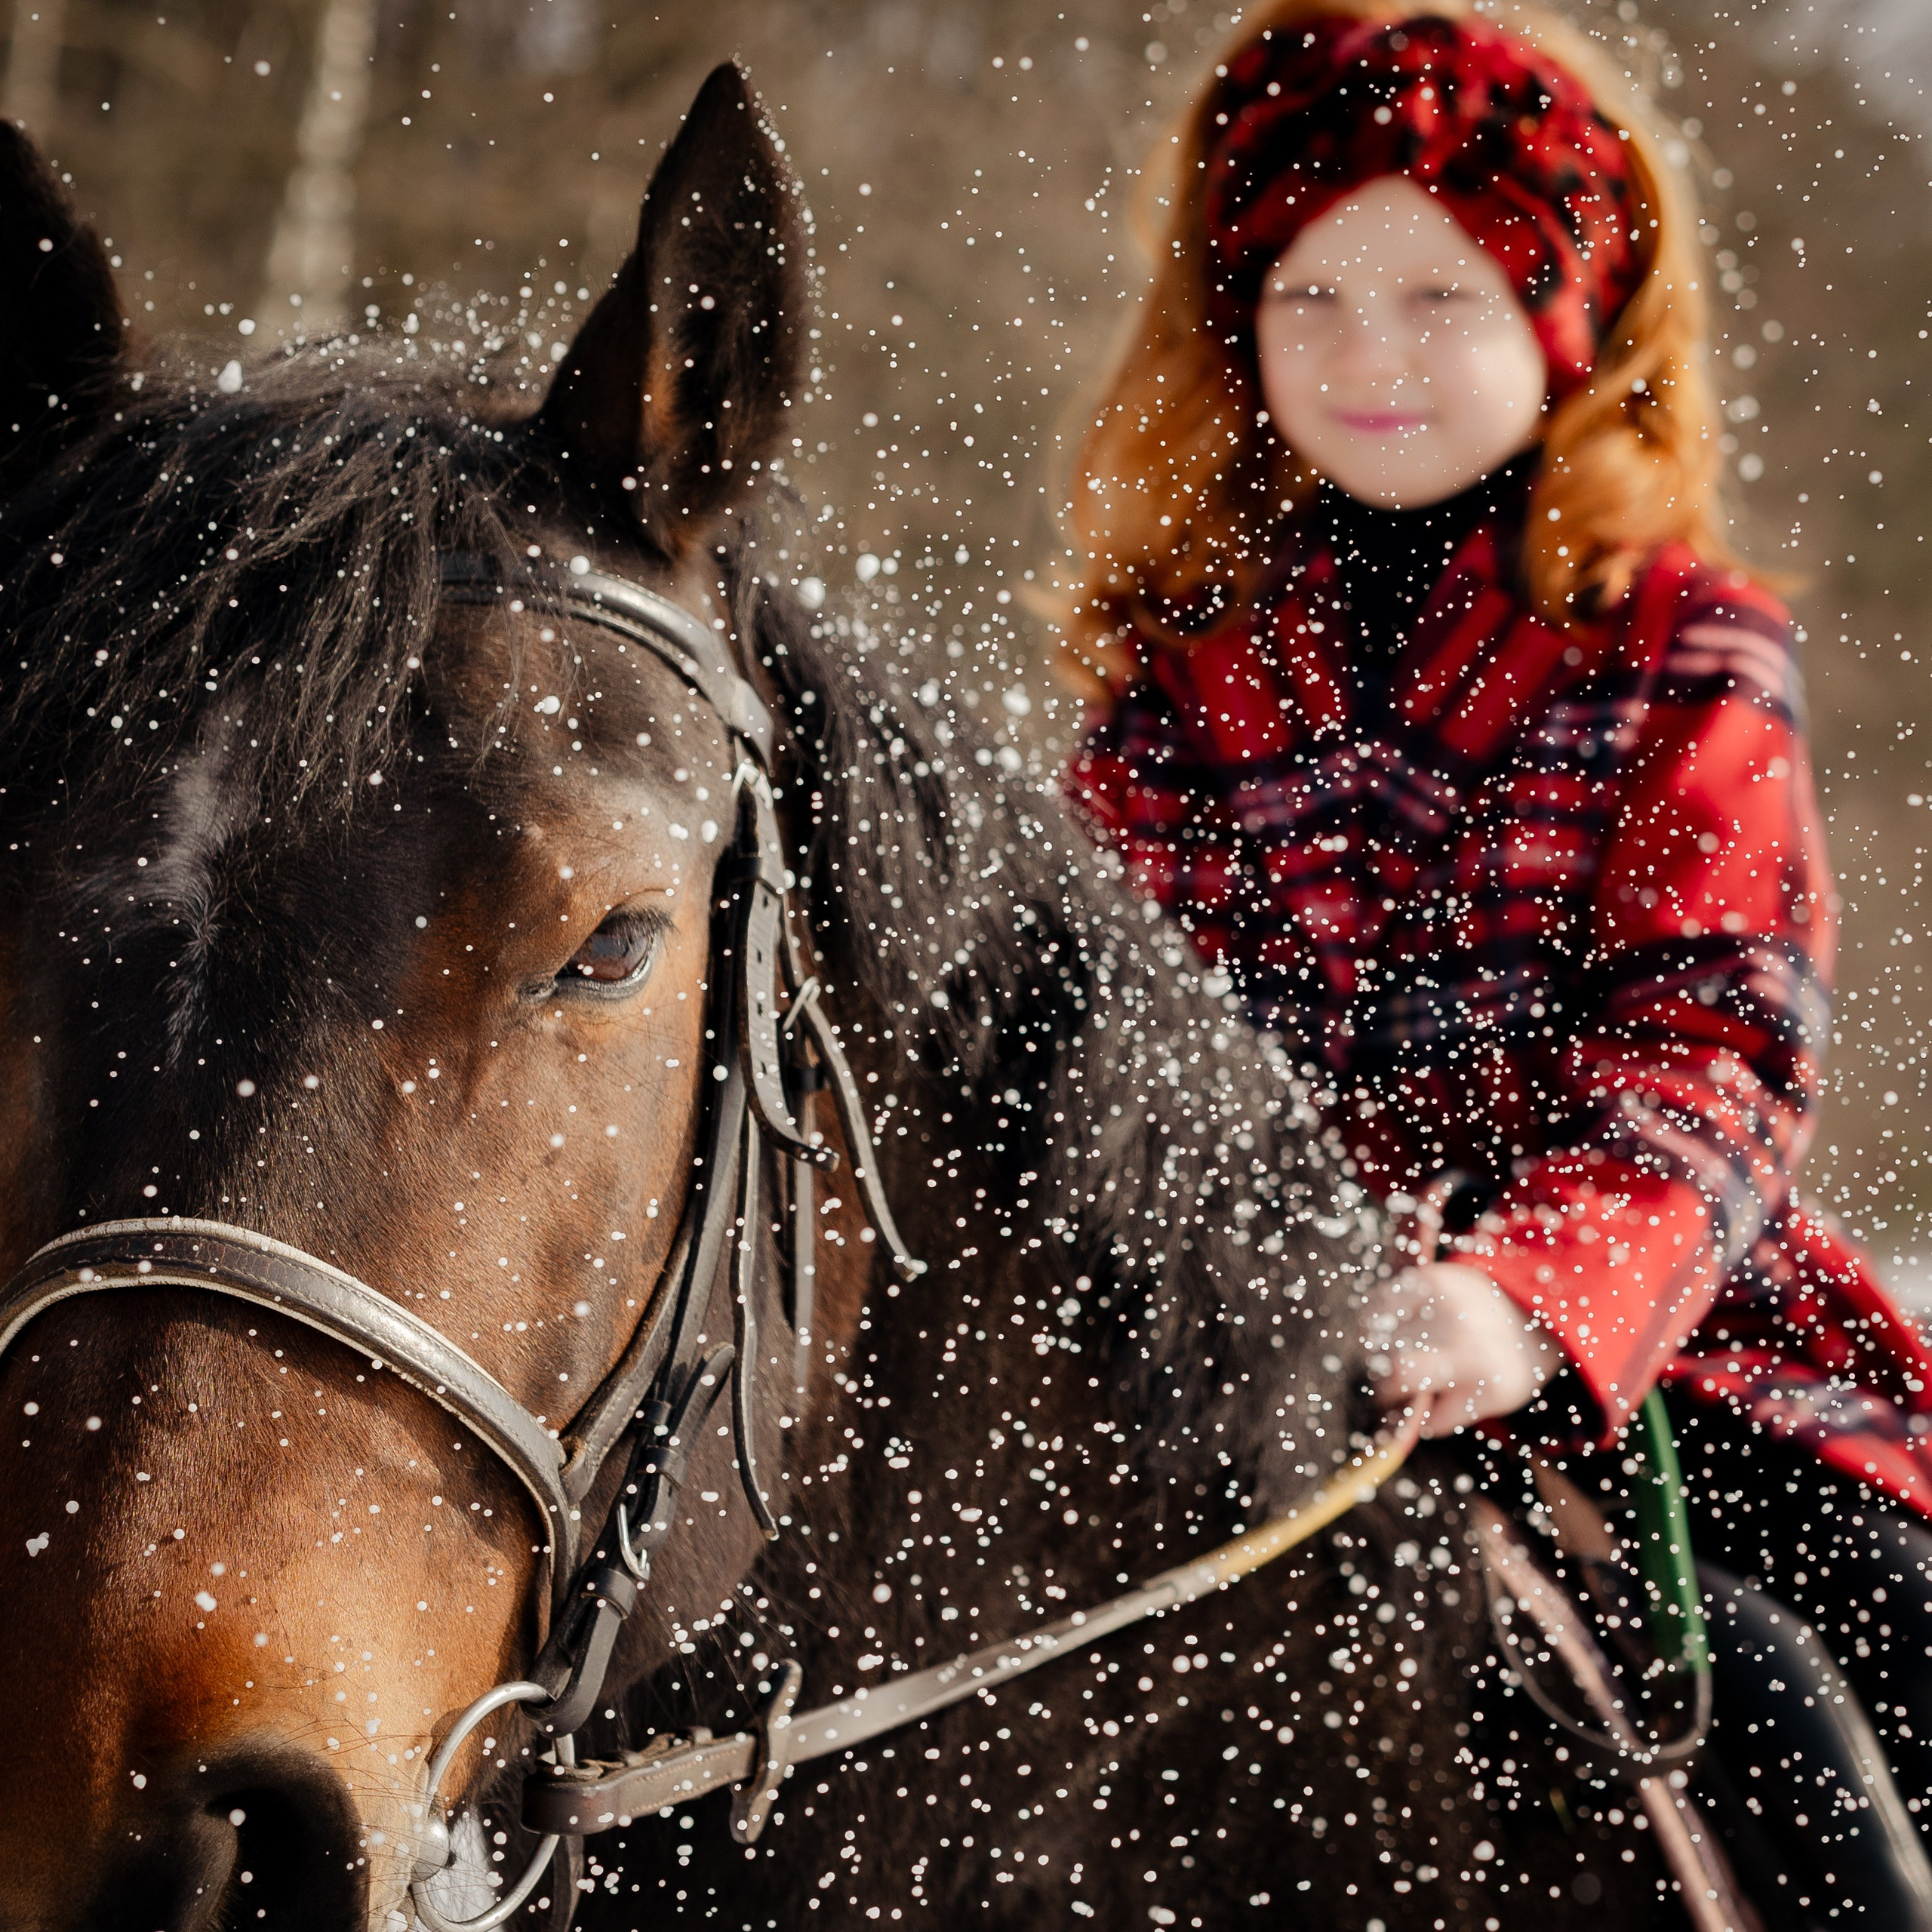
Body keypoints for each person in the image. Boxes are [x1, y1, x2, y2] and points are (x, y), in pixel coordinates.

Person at [1057, 1, 1932, 1912]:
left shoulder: (1683, 654)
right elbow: (1096, 1057)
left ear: (1564, 320)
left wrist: (1520, 1296)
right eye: (1309, 300)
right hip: (1244, 1350)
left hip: (1655, 1355)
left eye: (1439, 298)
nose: (1368, 356)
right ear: (1232, 325)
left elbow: (1719, 1046)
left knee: (1871, 1699)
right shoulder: (1167, 686)